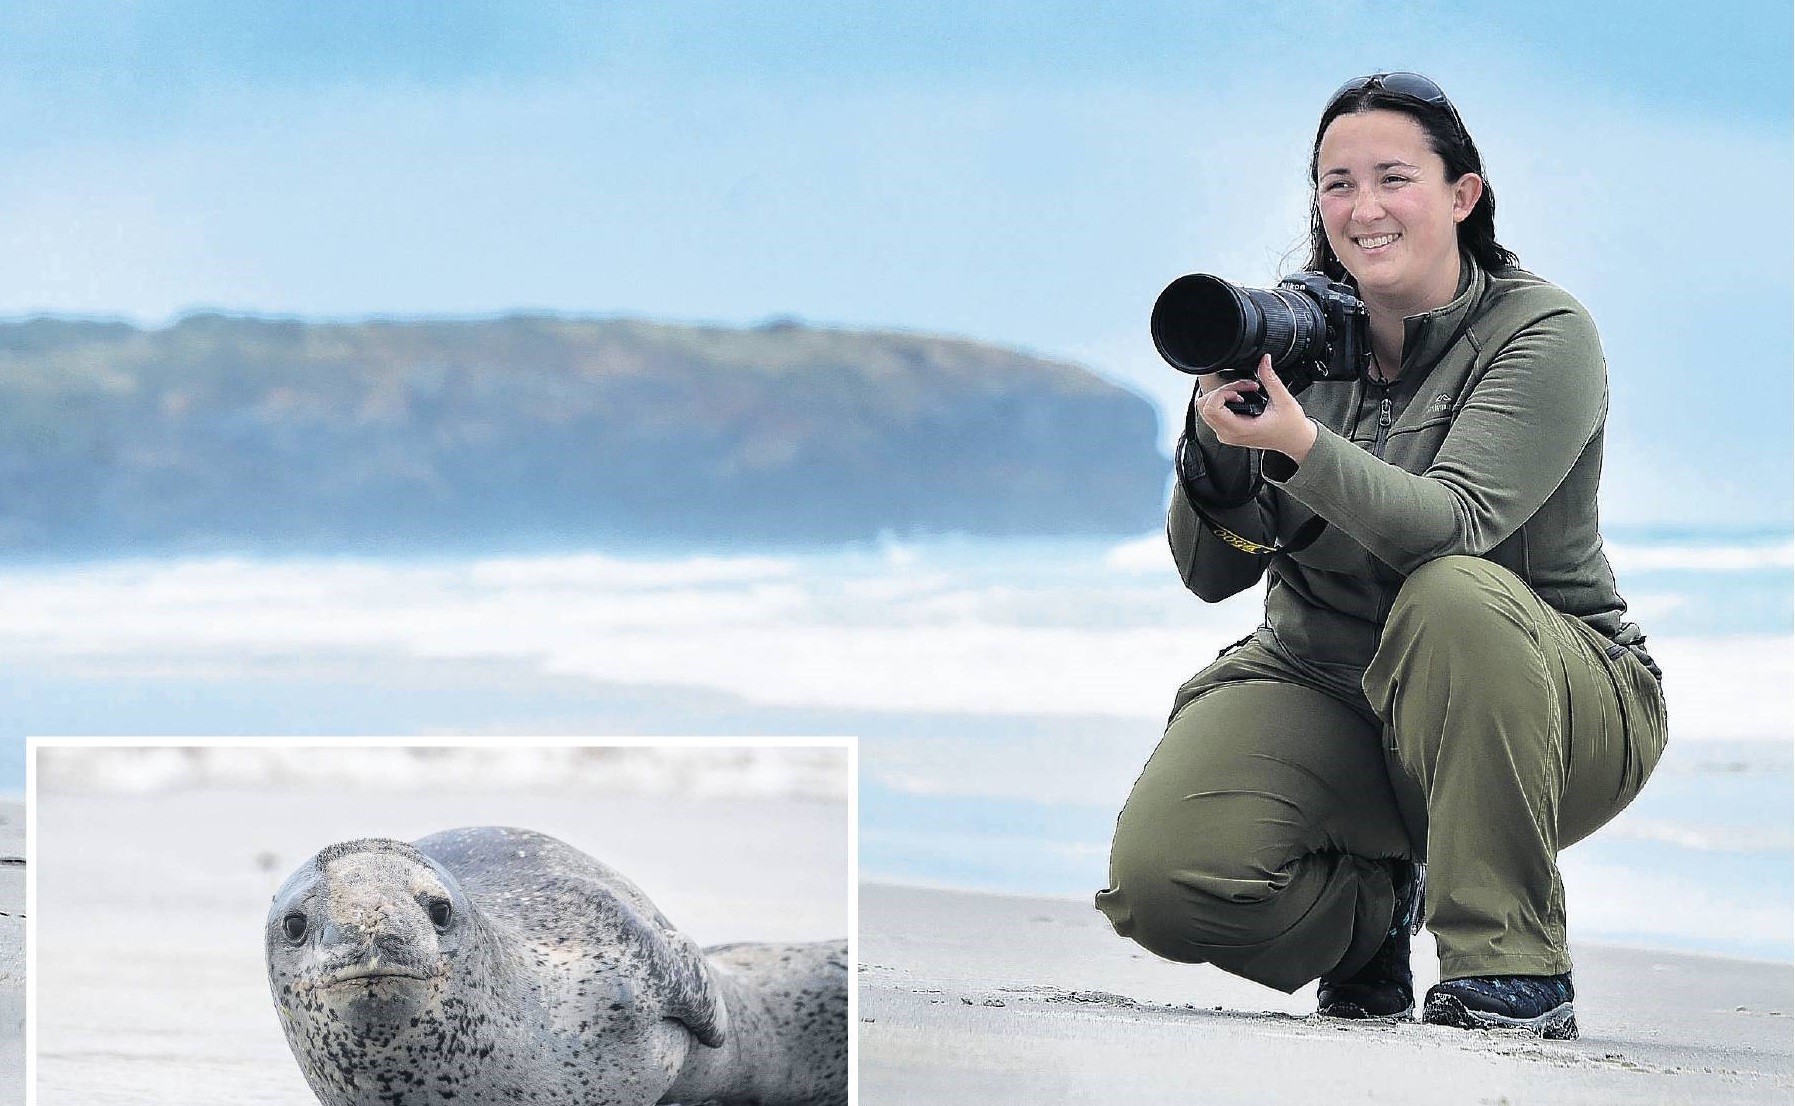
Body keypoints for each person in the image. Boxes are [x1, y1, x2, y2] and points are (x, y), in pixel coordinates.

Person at [1094, 72, 1666, 1040]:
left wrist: (1302, 450)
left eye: (1392, 177)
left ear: (1462, 194)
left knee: (1451, 597)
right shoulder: (1298, 345)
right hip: (1332, 683)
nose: (1362, 209)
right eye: (1335, 184)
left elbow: (1449, 525)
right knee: (1164, 882)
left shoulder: (1542, 333)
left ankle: (1511, 969)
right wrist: (1215, 453)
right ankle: (1370, 911)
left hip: (1547, 698)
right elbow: (1210, 573)